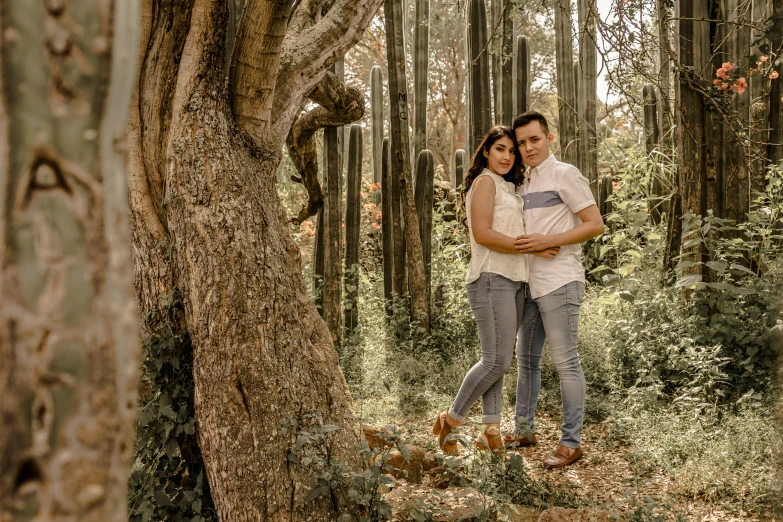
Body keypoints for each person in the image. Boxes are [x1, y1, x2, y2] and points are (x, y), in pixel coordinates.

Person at [432, 126, 559, 455]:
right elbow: (484, 234)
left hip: (514, 281)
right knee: (497, 361)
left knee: (498, 358)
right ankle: (451, 420)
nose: (507, 156)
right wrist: (531, 249)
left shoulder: (507, 186)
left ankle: (491, 430)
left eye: (511, 151)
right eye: (500, 149)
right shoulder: (485, 182)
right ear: (486, 151)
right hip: (491, 278)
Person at [506, 111, 605, 468]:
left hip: (560, 279)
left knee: (565, 362)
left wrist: (551, 241)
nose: (528, 147)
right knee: (526, 361)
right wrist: (533, 247)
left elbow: (595, 224)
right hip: (529, 282)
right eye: (521, 142)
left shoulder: (565, 174)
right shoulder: (522, 182)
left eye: (534, 139)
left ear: (550, 138)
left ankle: (570, 443)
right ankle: (523, 429)